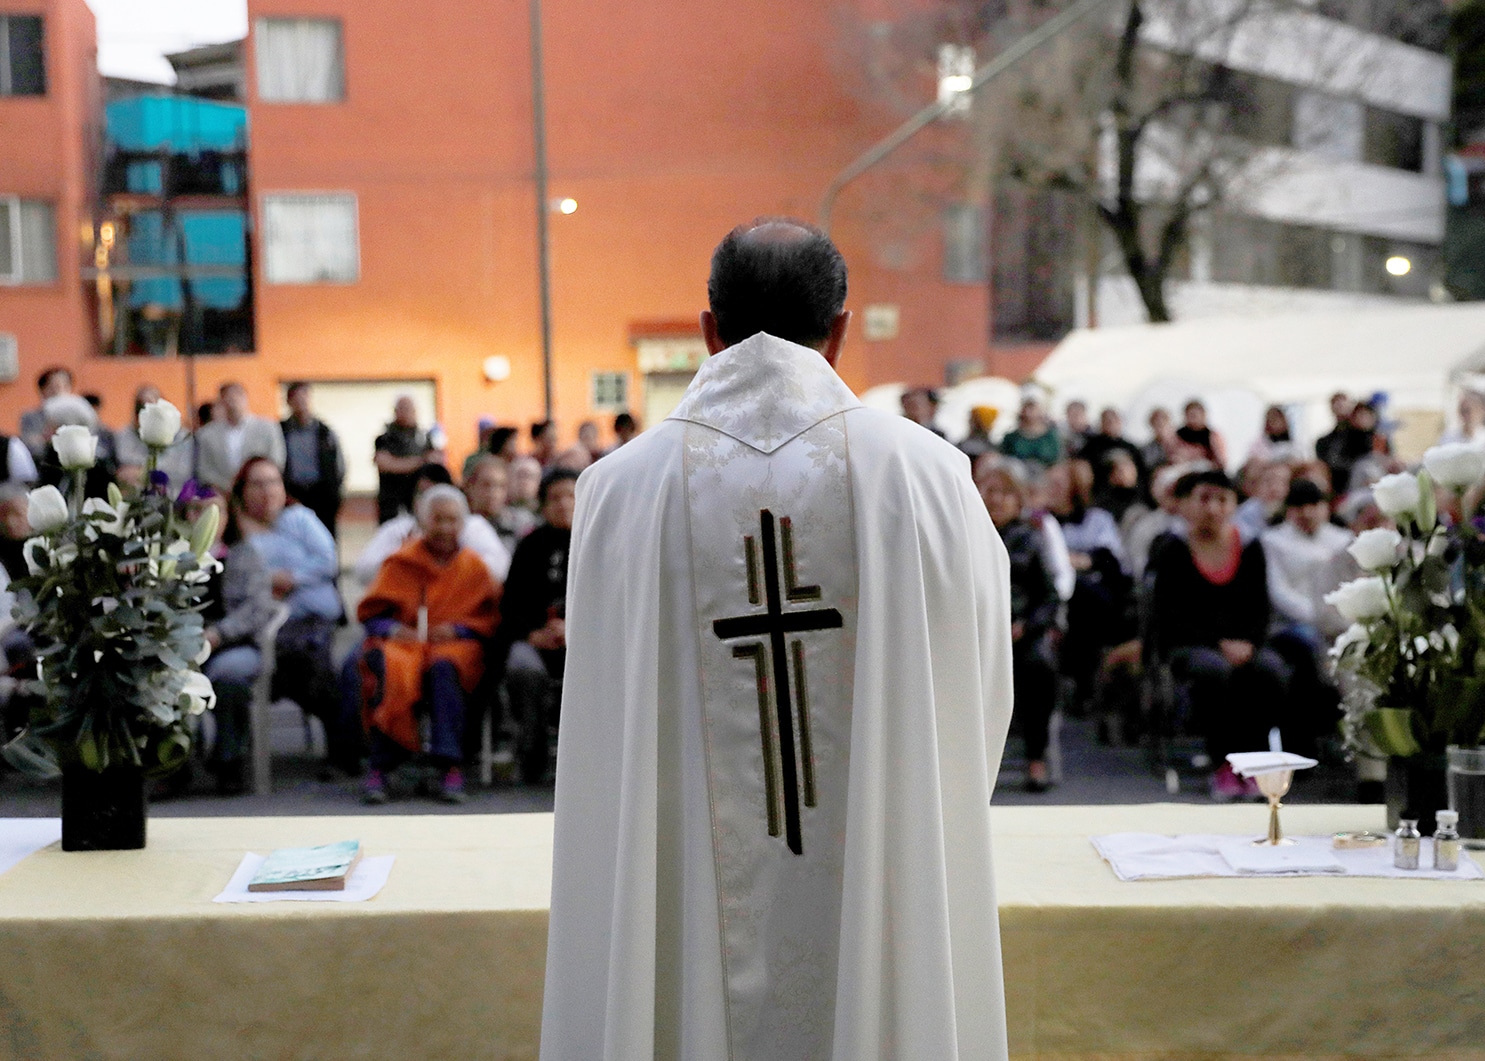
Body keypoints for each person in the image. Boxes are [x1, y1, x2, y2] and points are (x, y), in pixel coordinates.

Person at [541, 218, 1013, 1061]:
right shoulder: (924, 474)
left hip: (676, 873)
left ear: (708, 331)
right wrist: (909, 811)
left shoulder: (617, 491)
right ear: (838, 329)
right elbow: (978, 687)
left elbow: (600, 727)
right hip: (878, 870)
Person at [1149, 469, 1288, 801]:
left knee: (1270, 671)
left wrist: (1248, 643)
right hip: (1191, 643)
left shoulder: (1252, 548)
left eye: (1221, 499)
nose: (1212, 508)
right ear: (1188, 504)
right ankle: (1223, 763)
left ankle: (1253, 763)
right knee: (1213, 671)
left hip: (1245, 642)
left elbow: (1260, 609)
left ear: (1234, 504)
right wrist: (1219, 643)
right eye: (1204, 499)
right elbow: (1169, 615)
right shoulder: (1172, 549)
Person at [357, 485, 501, 805]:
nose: (445, 528)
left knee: (444, 668)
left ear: (463, 526)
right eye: (437, 520)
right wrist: (394, 629)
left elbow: (489, 620)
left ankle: (448, 764)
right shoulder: (400, 561)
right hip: (406, 645)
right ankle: (382, 765)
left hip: (453, 647)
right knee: (390, 666)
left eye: (452, 520)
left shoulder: (474, 567)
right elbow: (372, 615)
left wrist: (460, 630)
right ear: (422, 522)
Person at [231, 457, 352, 774]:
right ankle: (347, 741)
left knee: (307, 660)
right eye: (257, 484)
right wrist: (267, 582)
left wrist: (292, 578)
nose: (267, 491)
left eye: (273, 482)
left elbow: (327, 561)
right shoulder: (238, 531)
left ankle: (345, 747)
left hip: (312, 617)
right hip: (266, 622)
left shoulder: (299, 518)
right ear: (243, 491)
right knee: (292, 665)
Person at [979, 460, 1060, 793]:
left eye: (1005, 493)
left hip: (1021, 634)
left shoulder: (1031, 538)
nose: (997, 500)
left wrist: (1025, 625)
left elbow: (1049, 597)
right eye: (990, 491)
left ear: (1018, 499)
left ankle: (1036, 757)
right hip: (975, 634)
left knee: (1039, 667)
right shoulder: (967, 534)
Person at [191, 485, 277, 795]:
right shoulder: (173, 556)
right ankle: (174, 764)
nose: (205, 518)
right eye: (196, 510)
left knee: (227, 676)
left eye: (215, 510)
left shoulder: (245, 554)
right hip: (183, 646)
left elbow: (257, 608)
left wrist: (218, 633)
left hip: (235, 644)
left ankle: (230, 760)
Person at [498, 468, 577, 784]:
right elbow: (510, 606)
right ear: (542, 506)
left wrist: (574, 630)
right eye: (554, 498)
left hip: (589, 644)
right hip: (534, 640)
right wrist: (532, 633)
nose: (563, 504)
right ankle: (532, 754)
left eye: (570, 496)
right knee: (522, 668)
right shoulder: (529, 547)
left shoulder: (603, 543)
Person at [353, 463, 509, 584]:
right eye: (423, 494)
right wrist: (405, 556)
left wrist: (451, 565)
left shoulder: (473, 527)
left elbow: (499, 568)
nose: (431, 500)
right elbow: (363, 572)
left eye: (438, 494)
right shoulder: (398, 529)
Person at [280, 382, 345, 540]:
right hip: (293, 494)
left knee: (325, 537)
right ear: (288, 402)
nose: (301, 402)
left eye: (305, 397)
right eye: (296, 398)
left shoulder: (324, 432)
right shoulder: (280, 431)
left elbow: (339, 464)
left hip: (321, 494)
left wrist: (335, 491)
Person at [195, 382, 286, 493]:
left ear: (245, 398)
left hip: (259, 491)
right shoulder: (206, 434)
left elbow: (277, 459)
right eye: (227, 397)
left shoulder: (268, 428)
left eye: (237, 396)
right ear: (221, 401)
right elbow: (204, 468)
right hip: (222, 493)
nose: (233, 401)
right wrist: (226, 487)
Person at [114, 383, 191, 494]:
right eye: (142, 409)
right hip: (137, 492)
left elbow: (182, 471)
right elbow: (125, 462)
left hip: (173, 494)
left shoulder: (183, 437)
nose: (148, 414)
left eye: (155, 410)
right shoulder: (124, 434)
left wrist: (144, 473)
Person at [374, 396, 441, 523]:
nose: (407, 413)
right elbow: (385, 464)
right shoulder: (385, 439)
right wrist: (420, 462)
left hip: (417, 500)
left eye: (410, 409)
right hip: (392, 502)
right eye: (403, 409)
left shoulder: (425, 437)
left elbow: (436, 461)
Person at [464, 454, 538, 555]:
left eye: (501, 486)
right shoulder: (458, 524)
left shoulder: (522, 523)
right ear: (470, 486)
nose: (493, 493)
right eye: (486, 485)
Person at [20, 366, 72, 461]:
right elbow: (31, 447)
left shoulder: (78, 415)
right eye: (53, 387)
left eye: (65, 386)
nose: (58, 392)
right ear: (42, 390)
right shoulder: (31, 417)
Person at [999, 397, 1063, 467]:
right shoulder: (1011, 437)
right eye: (1026, 408)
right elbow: (1004, 459)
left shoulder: (1051, 436)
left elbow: (1057, 460)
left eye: (1032, 408)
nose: (1029, 412)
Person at [1175, 399, 1227, 467]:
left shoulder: (1212, 436)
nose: (1192, 419)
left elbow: (1222, 461)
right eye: (1190, 415)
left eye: (1195, 415)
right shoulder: (1178, 435)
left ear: (1203, 415)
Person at [1141, 406, 1176, 471]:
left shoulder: (1182, 442)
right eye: (1157, 425)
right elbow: (1149, 465)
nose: (1160, 429)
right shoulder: (1148, 449)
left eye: (1163, 424)